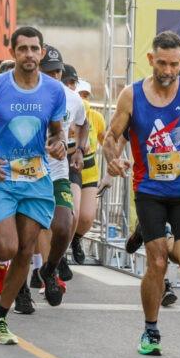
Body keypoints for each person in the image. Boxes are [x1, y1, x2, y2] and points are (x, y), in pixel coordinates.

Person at [103, 31, 180, 356]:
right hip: (149, 190)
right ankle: (150, 330)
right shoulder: (131, 95)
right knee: (158, 262)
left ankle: (149, 234)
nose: (167, 71)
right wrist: (112, 159)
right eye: (162, 63)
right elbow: (112, 136)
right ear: (151, 59)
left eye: (174, 64)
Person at [0, 26, 67, 345]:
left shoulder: (54, 90)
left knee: (25, 249)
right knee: (7, 247)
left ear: (42, 52)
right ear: (13, 52)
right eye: (23, 49)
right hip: (1, 178)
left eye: (35, 49)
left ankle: (0, 317)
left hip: (36, 180)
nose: (29, 55)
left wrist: (59, 143)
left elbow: (57, 131)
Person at [35, 47, 88, 307]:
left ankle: (50, 269)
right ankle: (41, 280)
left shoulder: (72, 99)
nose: (54, 77)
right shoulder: (25, 95)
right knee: (31, 233)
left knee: (66, 223)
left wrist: (79, 149)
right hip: (28, 173)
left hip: (58, 172)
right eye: (48, 72)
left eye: (57, 72)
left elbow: (84, 123)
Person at [70, 80, 107, 266]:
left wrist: (112, 167)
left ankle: (76, 239)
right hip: (68, 169)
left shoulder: (96, 117)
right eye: (80, 95)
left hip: (89, 170)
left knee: (86, 218)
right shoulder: (66, 112)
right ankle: (58, 251)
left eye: (86, 95)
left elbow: (106, 141)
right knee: (71, 214)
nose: (83, 99)